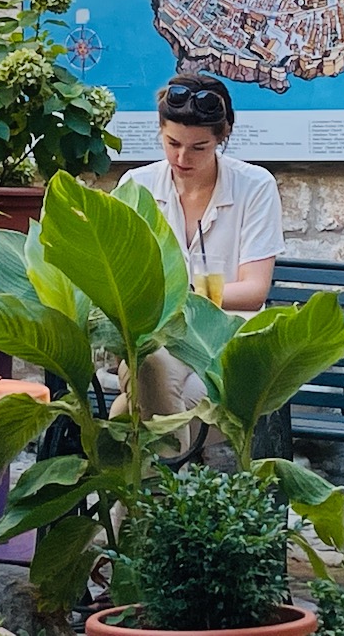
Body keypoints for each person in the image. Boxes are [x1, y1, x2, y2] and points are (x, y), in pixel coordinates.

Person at [114, 72, 285, 432]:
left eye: (198, 147)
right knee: (150, 365)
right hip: (159, 337)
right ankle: (171, 487)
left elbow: (254, 291)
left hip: (226, 337)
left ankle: (152, 486)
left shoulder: (255, 186)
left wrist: (183, 295)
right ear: (159, 129)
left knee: (128, 411)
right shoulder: (136, 186)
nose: (181, 157)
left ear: (222, 138)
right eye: (172, 142)